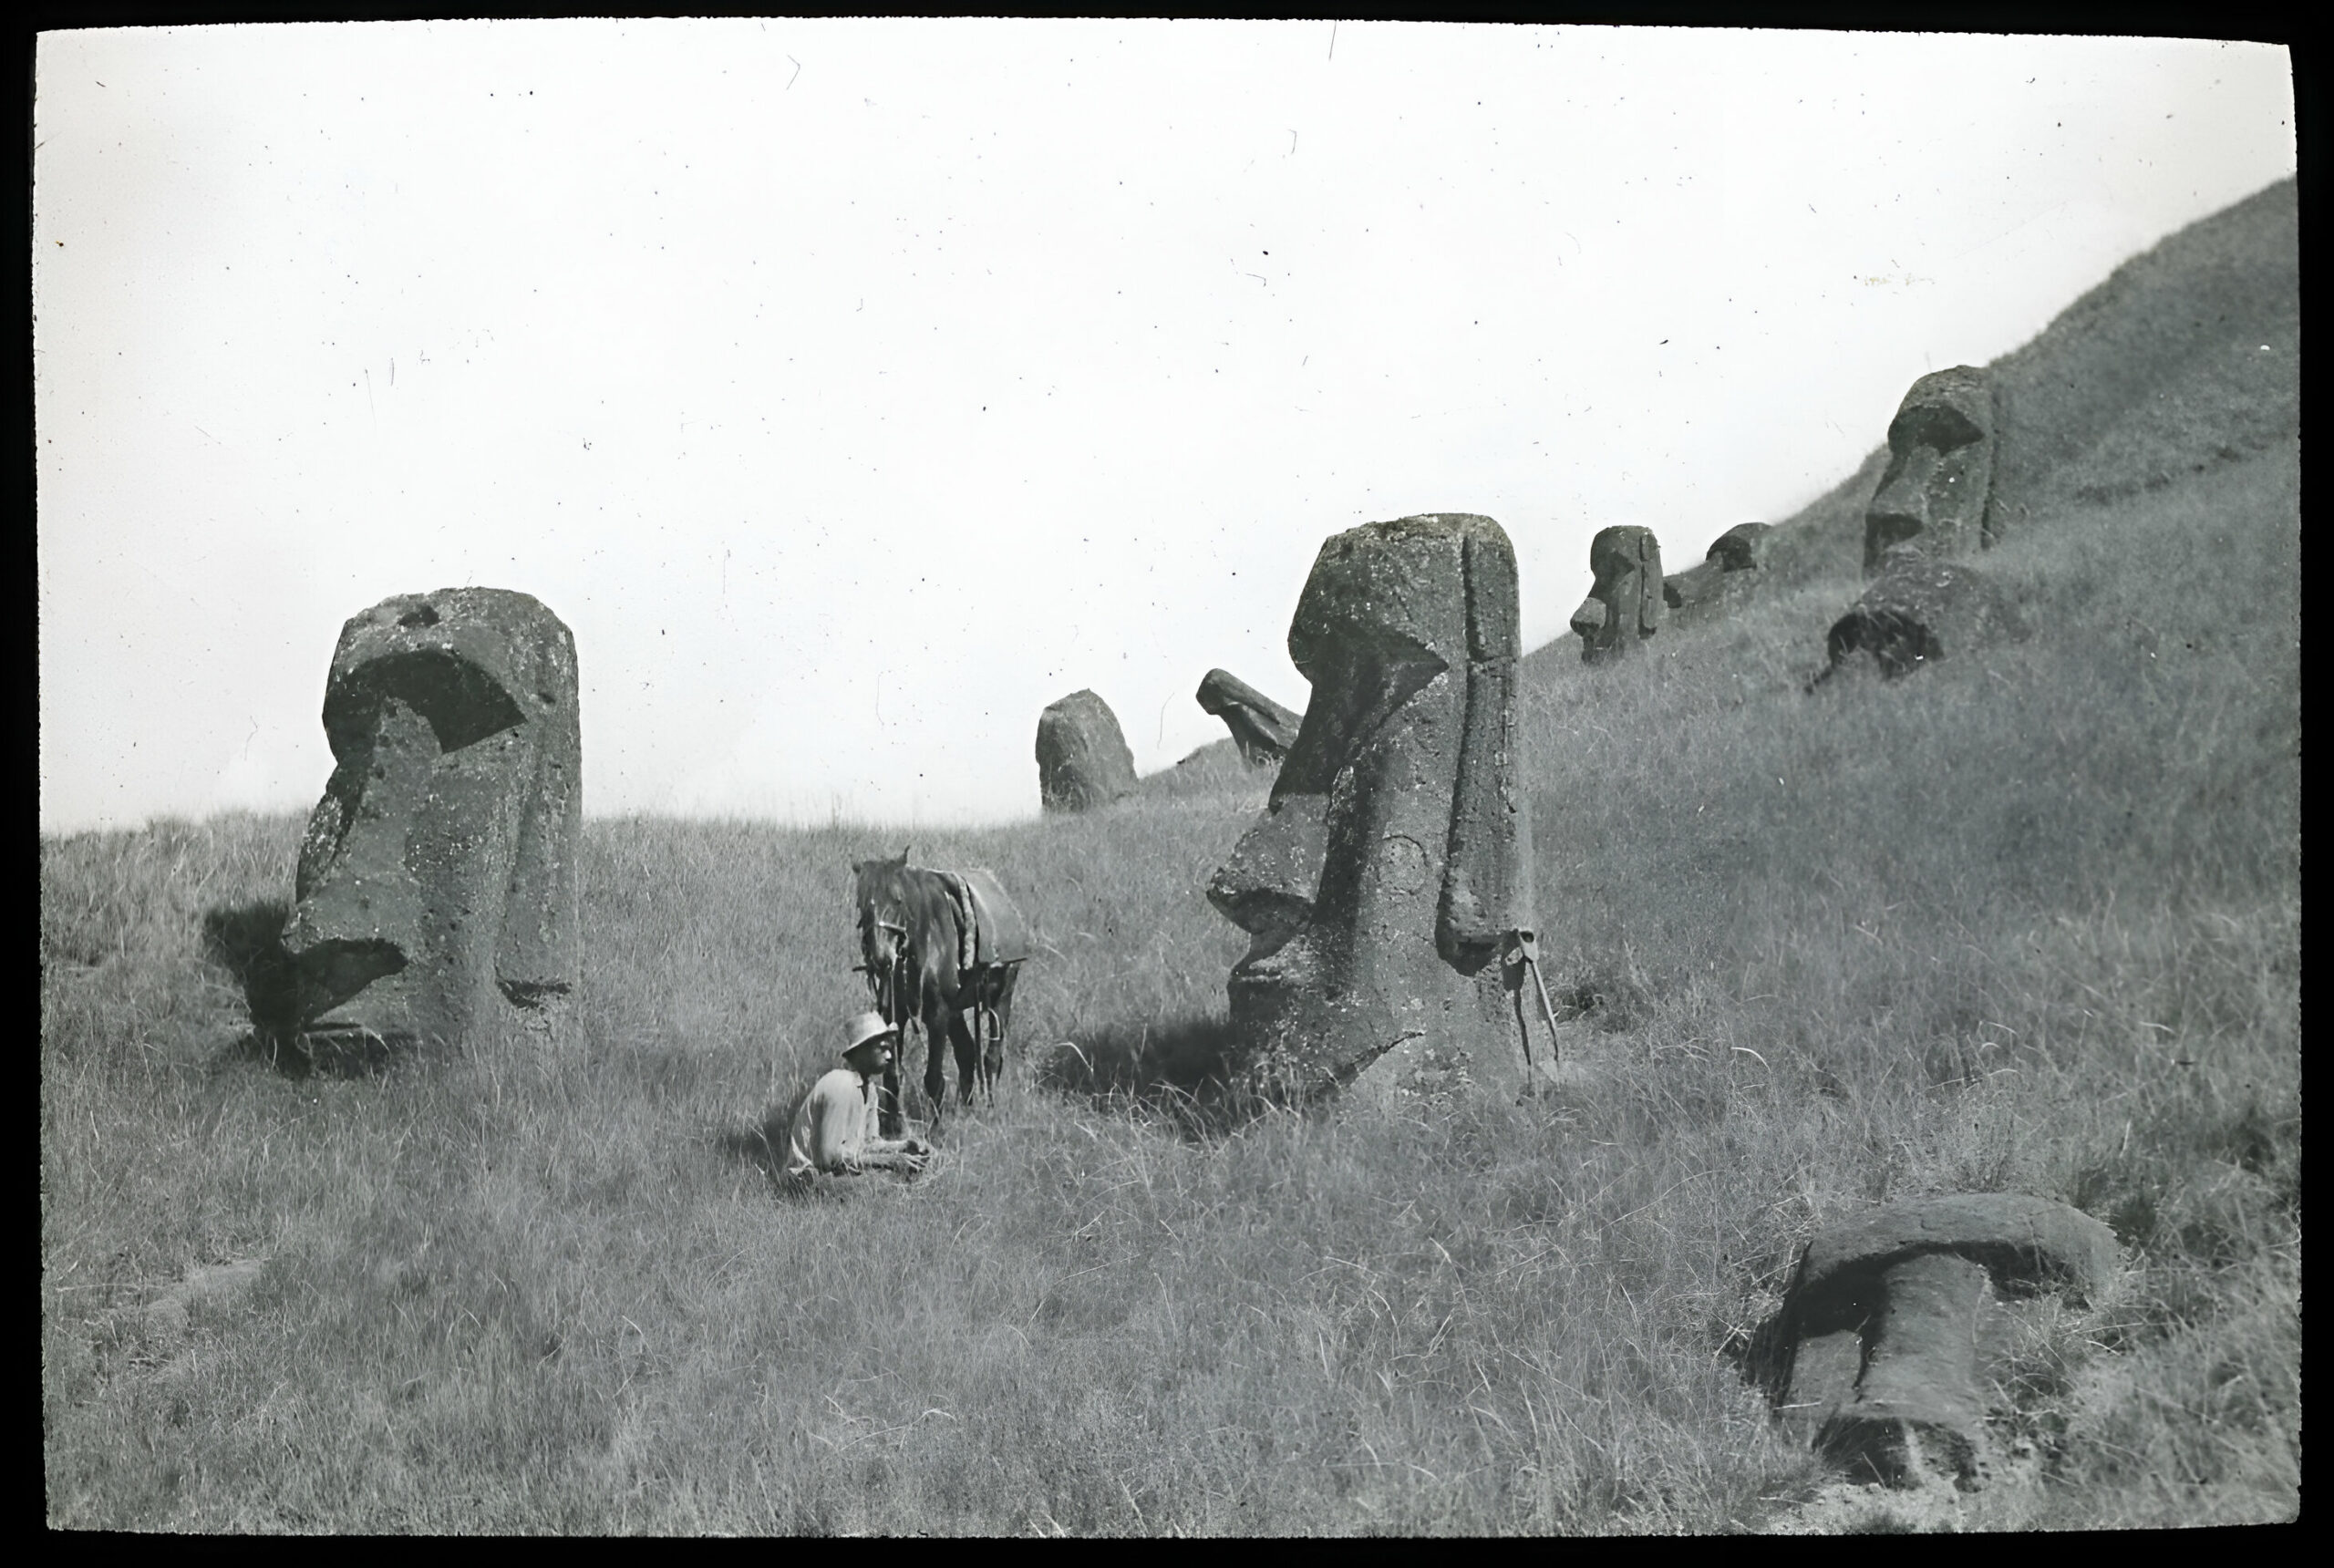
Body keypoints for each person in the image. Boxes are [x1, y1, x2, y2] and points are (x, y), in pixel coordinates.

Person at [782, 1012, 934, 1183]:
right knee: (887, 1188)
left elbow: (868, 1144)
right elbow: (830, 1157)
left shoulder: (869, 1090)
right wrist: (890, 1162)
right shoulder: (842, 1084)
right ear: (863, 1051)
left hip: (834, 1176)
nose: (889, 1056)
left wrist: (903, 1146)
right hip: (805, 1180)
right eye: (882, 1049)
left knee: (904, 1182)